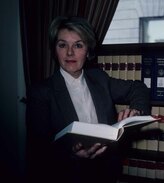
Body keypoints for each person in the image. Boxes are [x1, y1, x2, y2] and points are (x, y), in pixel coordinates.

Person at [25, 16, 151, 183]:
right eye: (62, 45)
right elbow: (39, 152)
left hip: (107, 174)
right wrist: (71, 155)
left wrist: (136, 111)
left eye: (78, 45)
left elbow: (138, 88)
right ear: (55, 50)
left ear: (88, 50)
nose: (70, 52)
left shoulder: (100, 79)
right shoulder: (40, 92)